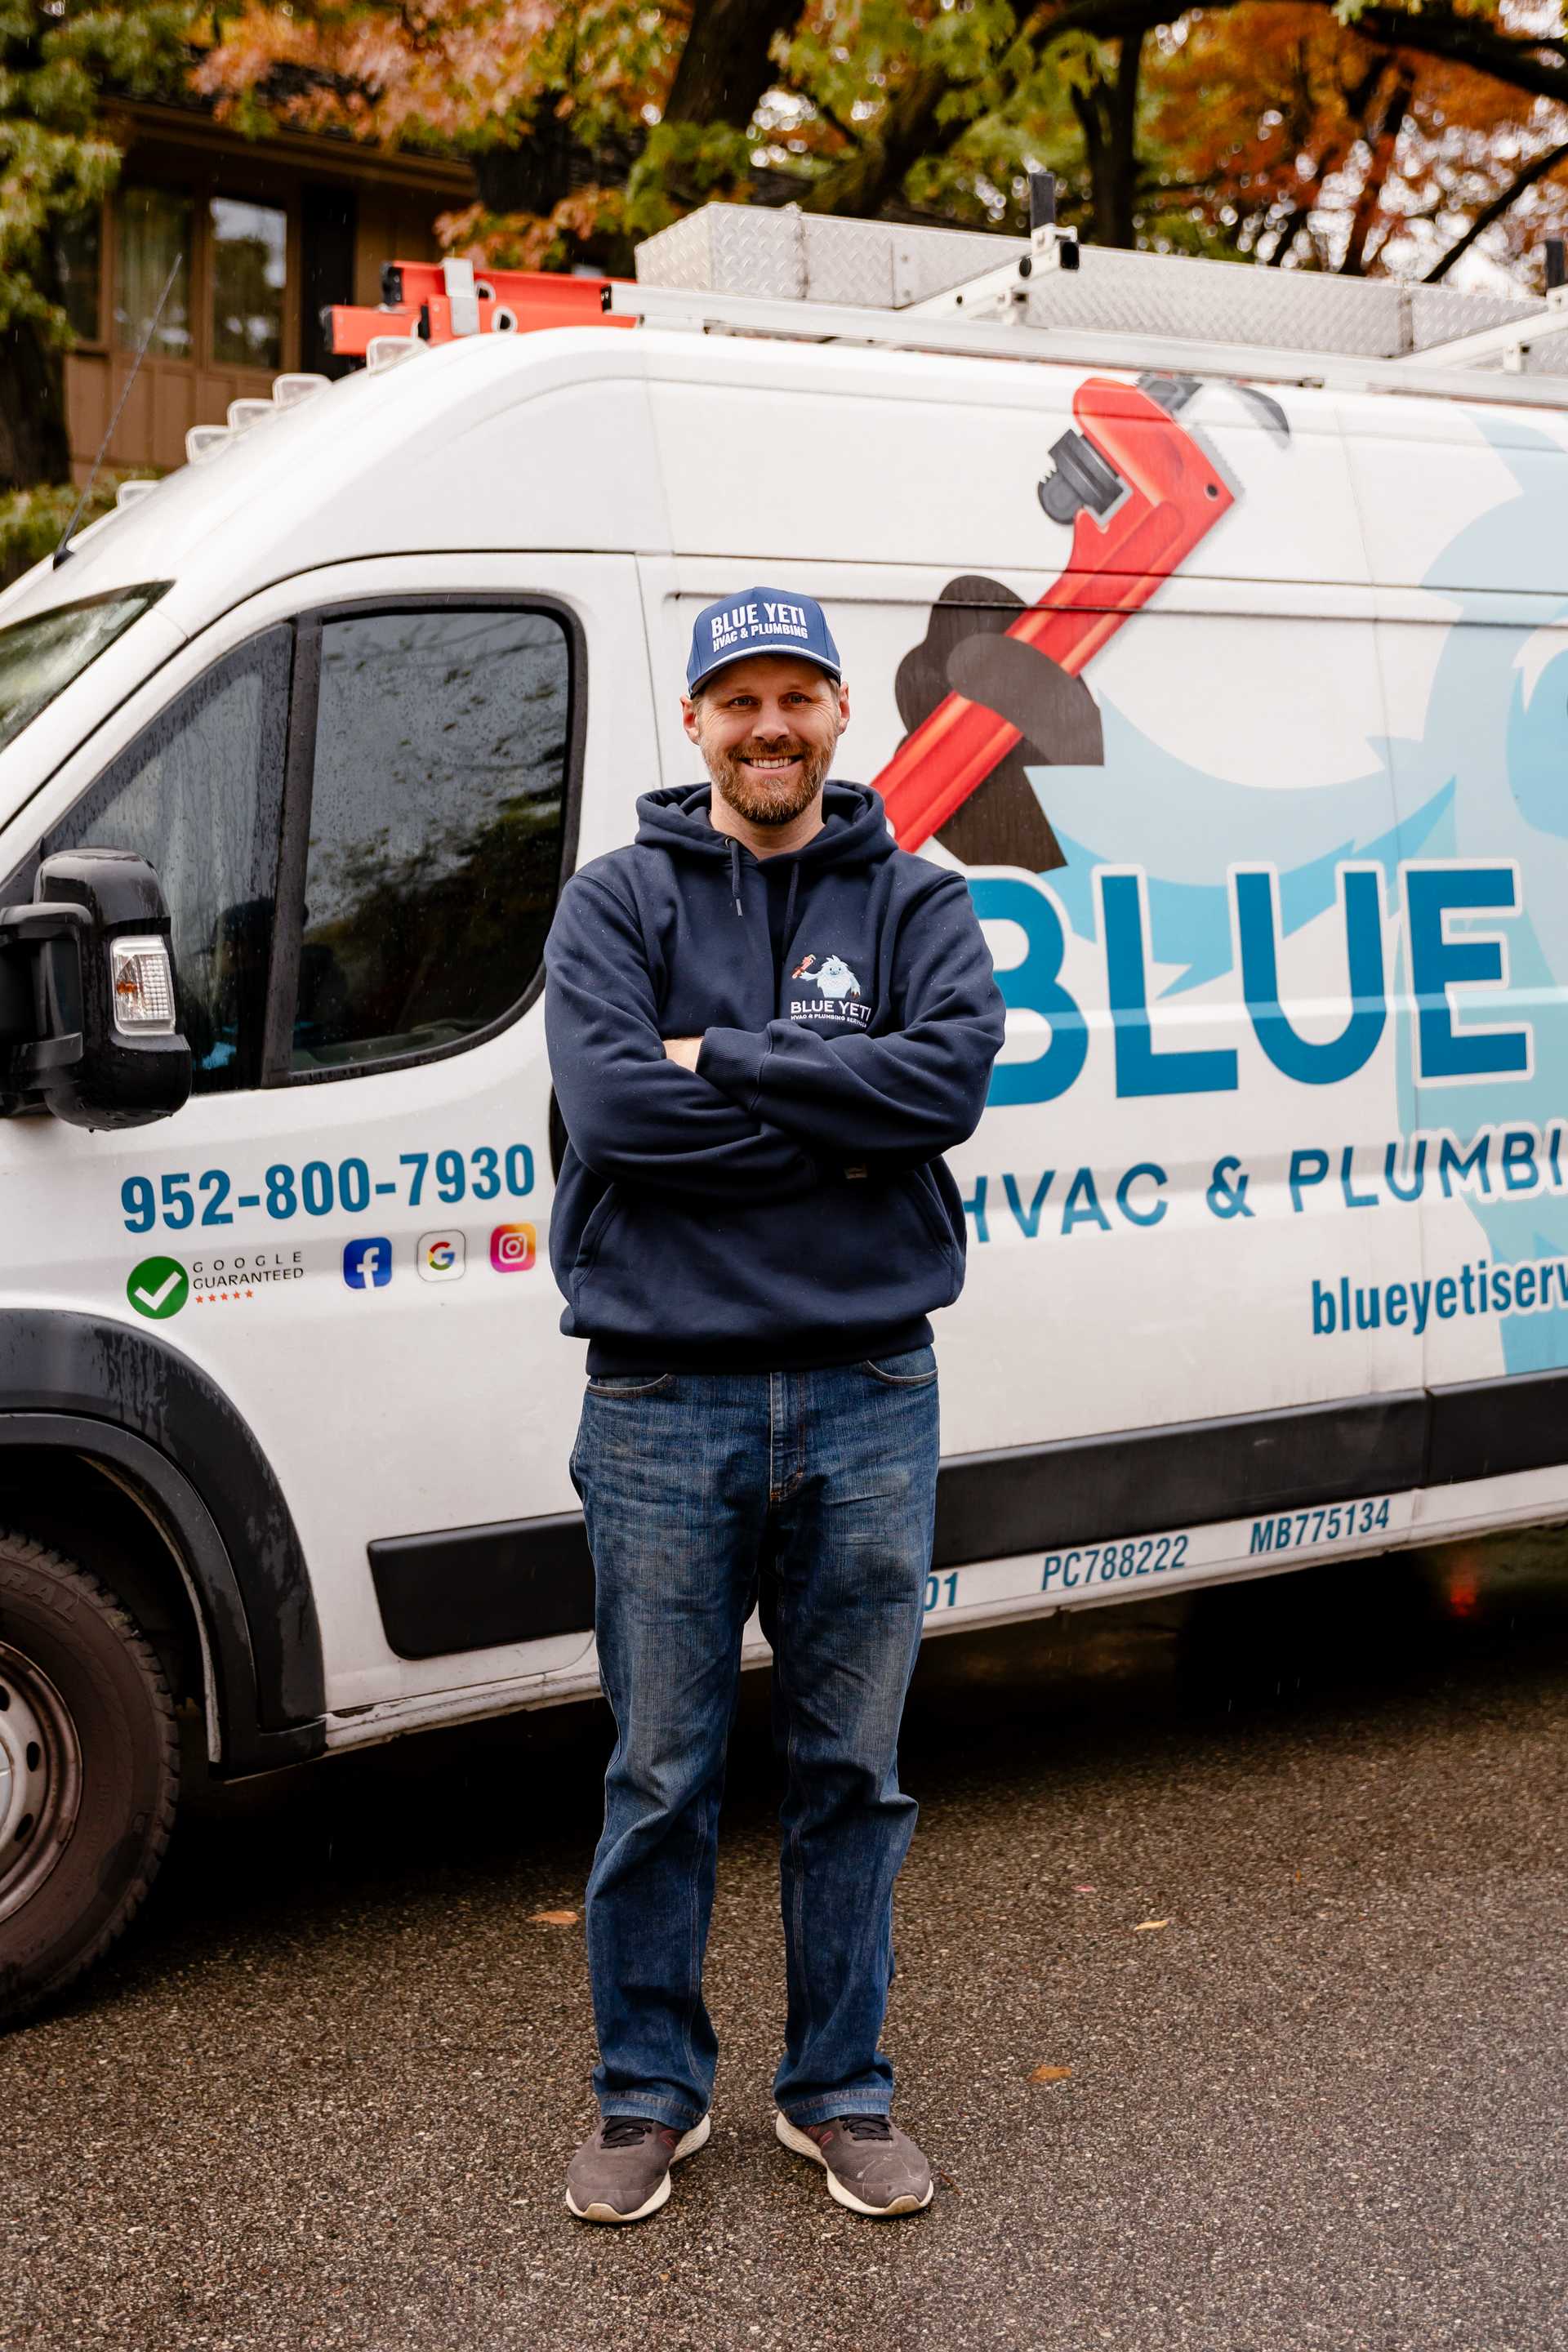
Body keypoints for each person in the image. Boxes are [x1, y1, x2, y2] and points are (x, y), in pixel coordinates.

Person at [543, 586, 1005, 2225]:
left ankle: (839, 2091)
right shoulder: (613, 905)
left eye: (796, 695)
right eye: (737, 698)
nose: (769, 726)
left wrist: (722, 1062)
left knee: (850, 1772)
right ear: (695, 722)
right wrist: (839, 1113)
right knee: (660, 1771)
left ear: (835, 717)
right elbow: (612, 1112)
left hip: (872, 1391)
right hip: (666, 1400)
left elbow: (942, 1085)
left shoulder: (917, 905)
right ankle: (647, 2093)